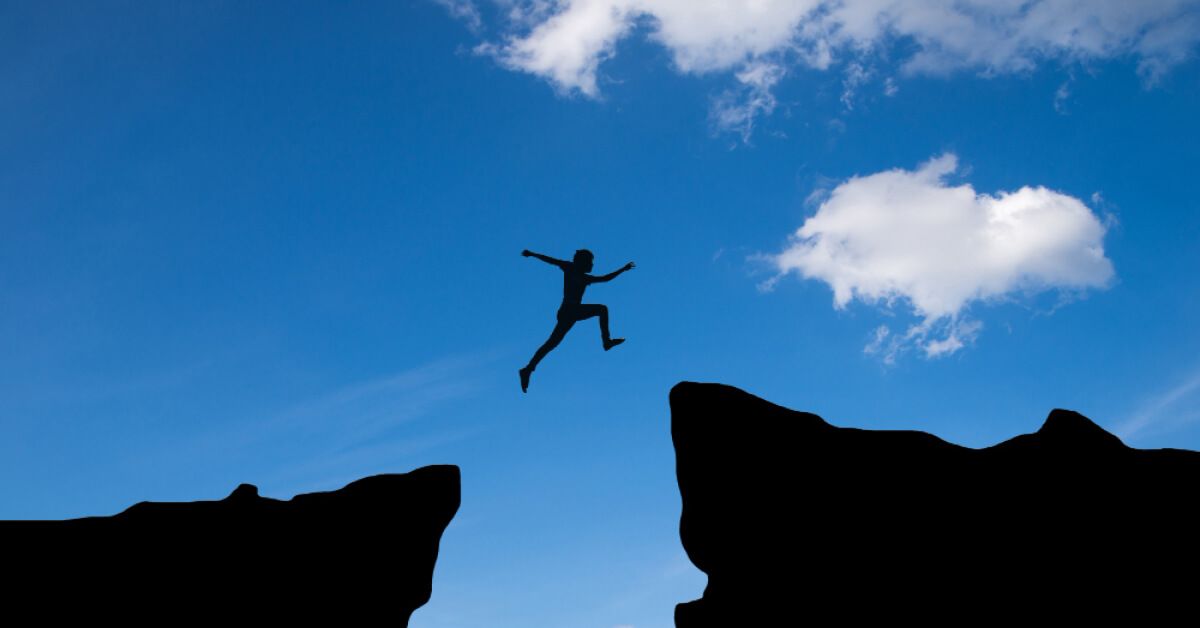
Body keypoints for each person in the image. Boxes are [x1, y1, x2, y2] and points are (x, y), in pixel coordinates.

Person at [519, 248, 635, 392]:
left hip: (572, 312)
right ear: (582, 262)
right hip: (569, 310)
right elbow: (549, 259)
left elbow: (605, 278)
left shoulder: (585, 278)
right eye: (590, 262)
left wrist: (622, 269)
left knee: (552, 343)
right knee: (601, 310)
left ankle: (528, 369)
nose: (592, 265)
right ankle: (606, 342)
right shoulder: (569, 267)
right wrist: (532, 254)